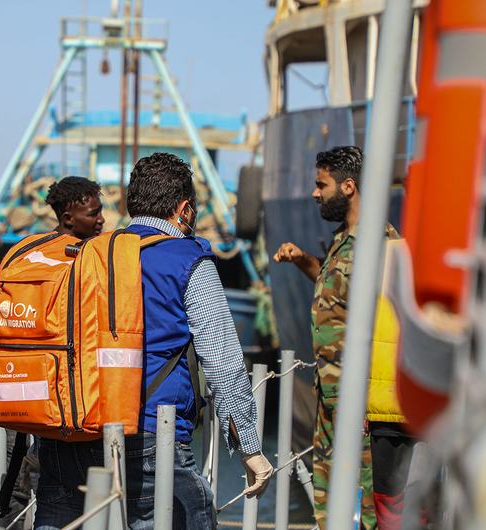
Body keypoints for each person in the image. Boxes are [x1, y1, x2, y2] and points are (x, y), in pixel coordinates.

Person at [33, 153, 274, 529]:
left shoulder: (89, 252)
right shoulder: (187, 259)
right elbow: (222, 359)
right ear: (185, 209)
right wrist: (250, 448)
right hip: (150, 436)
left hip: (72, 428)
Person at [271, 146, 408, 530]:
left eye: (321, 185)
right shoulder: (342, 240)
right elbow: (337, 290)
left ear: (348, 187)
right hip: (331, 397)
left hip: (359, 404)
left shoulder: (379, 244)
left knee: (366, 510)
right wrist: (303, 260)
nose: (315, 193)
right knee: (331, 506)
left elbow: (387, 324)